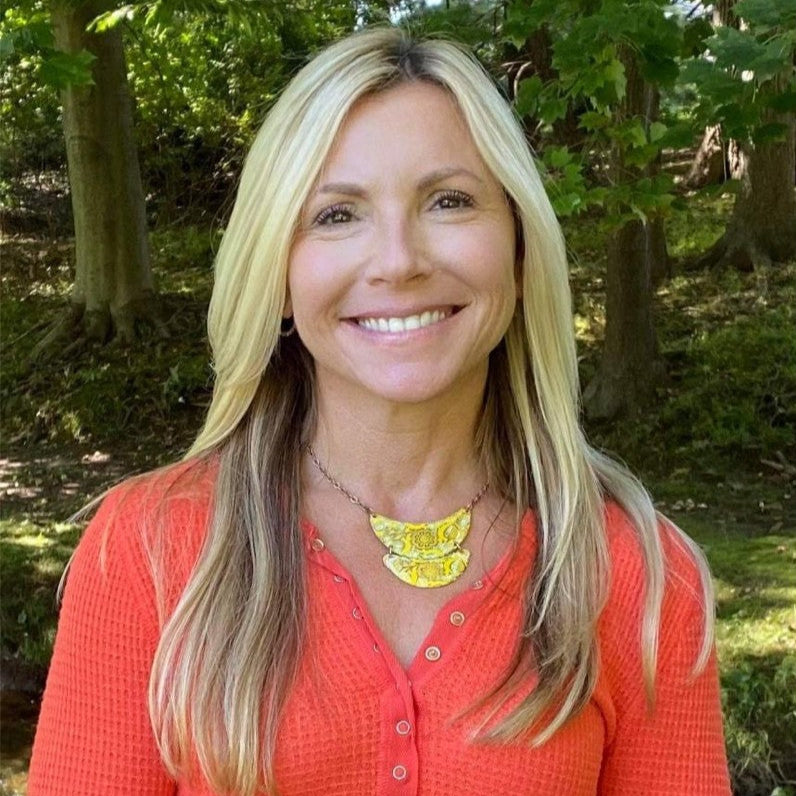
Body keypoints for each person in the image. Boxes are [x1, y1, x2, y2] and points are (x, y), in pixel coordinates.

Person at [28, 26, 731, 796]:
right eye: (337, 215)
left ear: (522, 251)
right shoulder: (149, 553)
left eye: (450, 201)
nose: (398, 261)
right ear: (279, 273)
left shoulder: (636, 574)